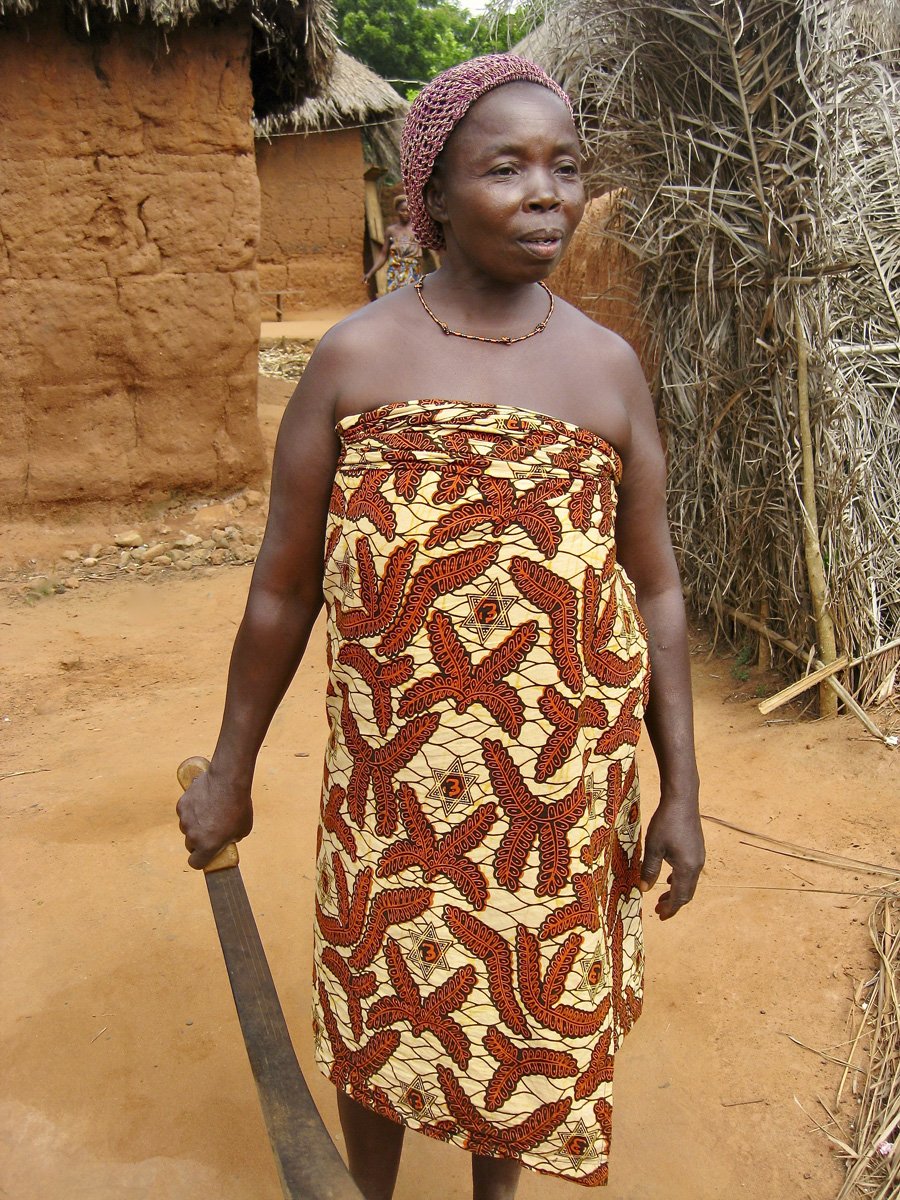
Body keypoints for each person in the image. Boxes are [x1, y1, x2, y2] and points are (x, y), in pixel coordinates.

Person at [178, 53, 704, 1198]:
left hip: (555, 794)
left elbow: (655, 590)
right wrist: (230, 769)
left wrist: (682, 792)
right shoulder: (356, 360)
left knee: (512, 1005)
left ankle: (490, 1193)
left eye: (565, 167)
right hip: (396, 787)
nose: (546, 192)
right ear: (431, 195)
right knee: (387, 997)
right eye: (504, 166)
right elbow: (282, 587)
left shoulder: (607, 372)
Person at [363, 194, 424, 292]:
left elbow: (427, 252)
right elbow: (383, 255)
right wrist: (370, 273)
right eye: (402, 210)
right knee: (394, 302)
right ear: (397, 211)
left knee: (411, 301)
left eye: (408, 210)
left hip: (413, 273)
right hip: (395, 273)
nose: (405, 213)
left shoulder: (417, 231)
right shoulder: (391, 231)